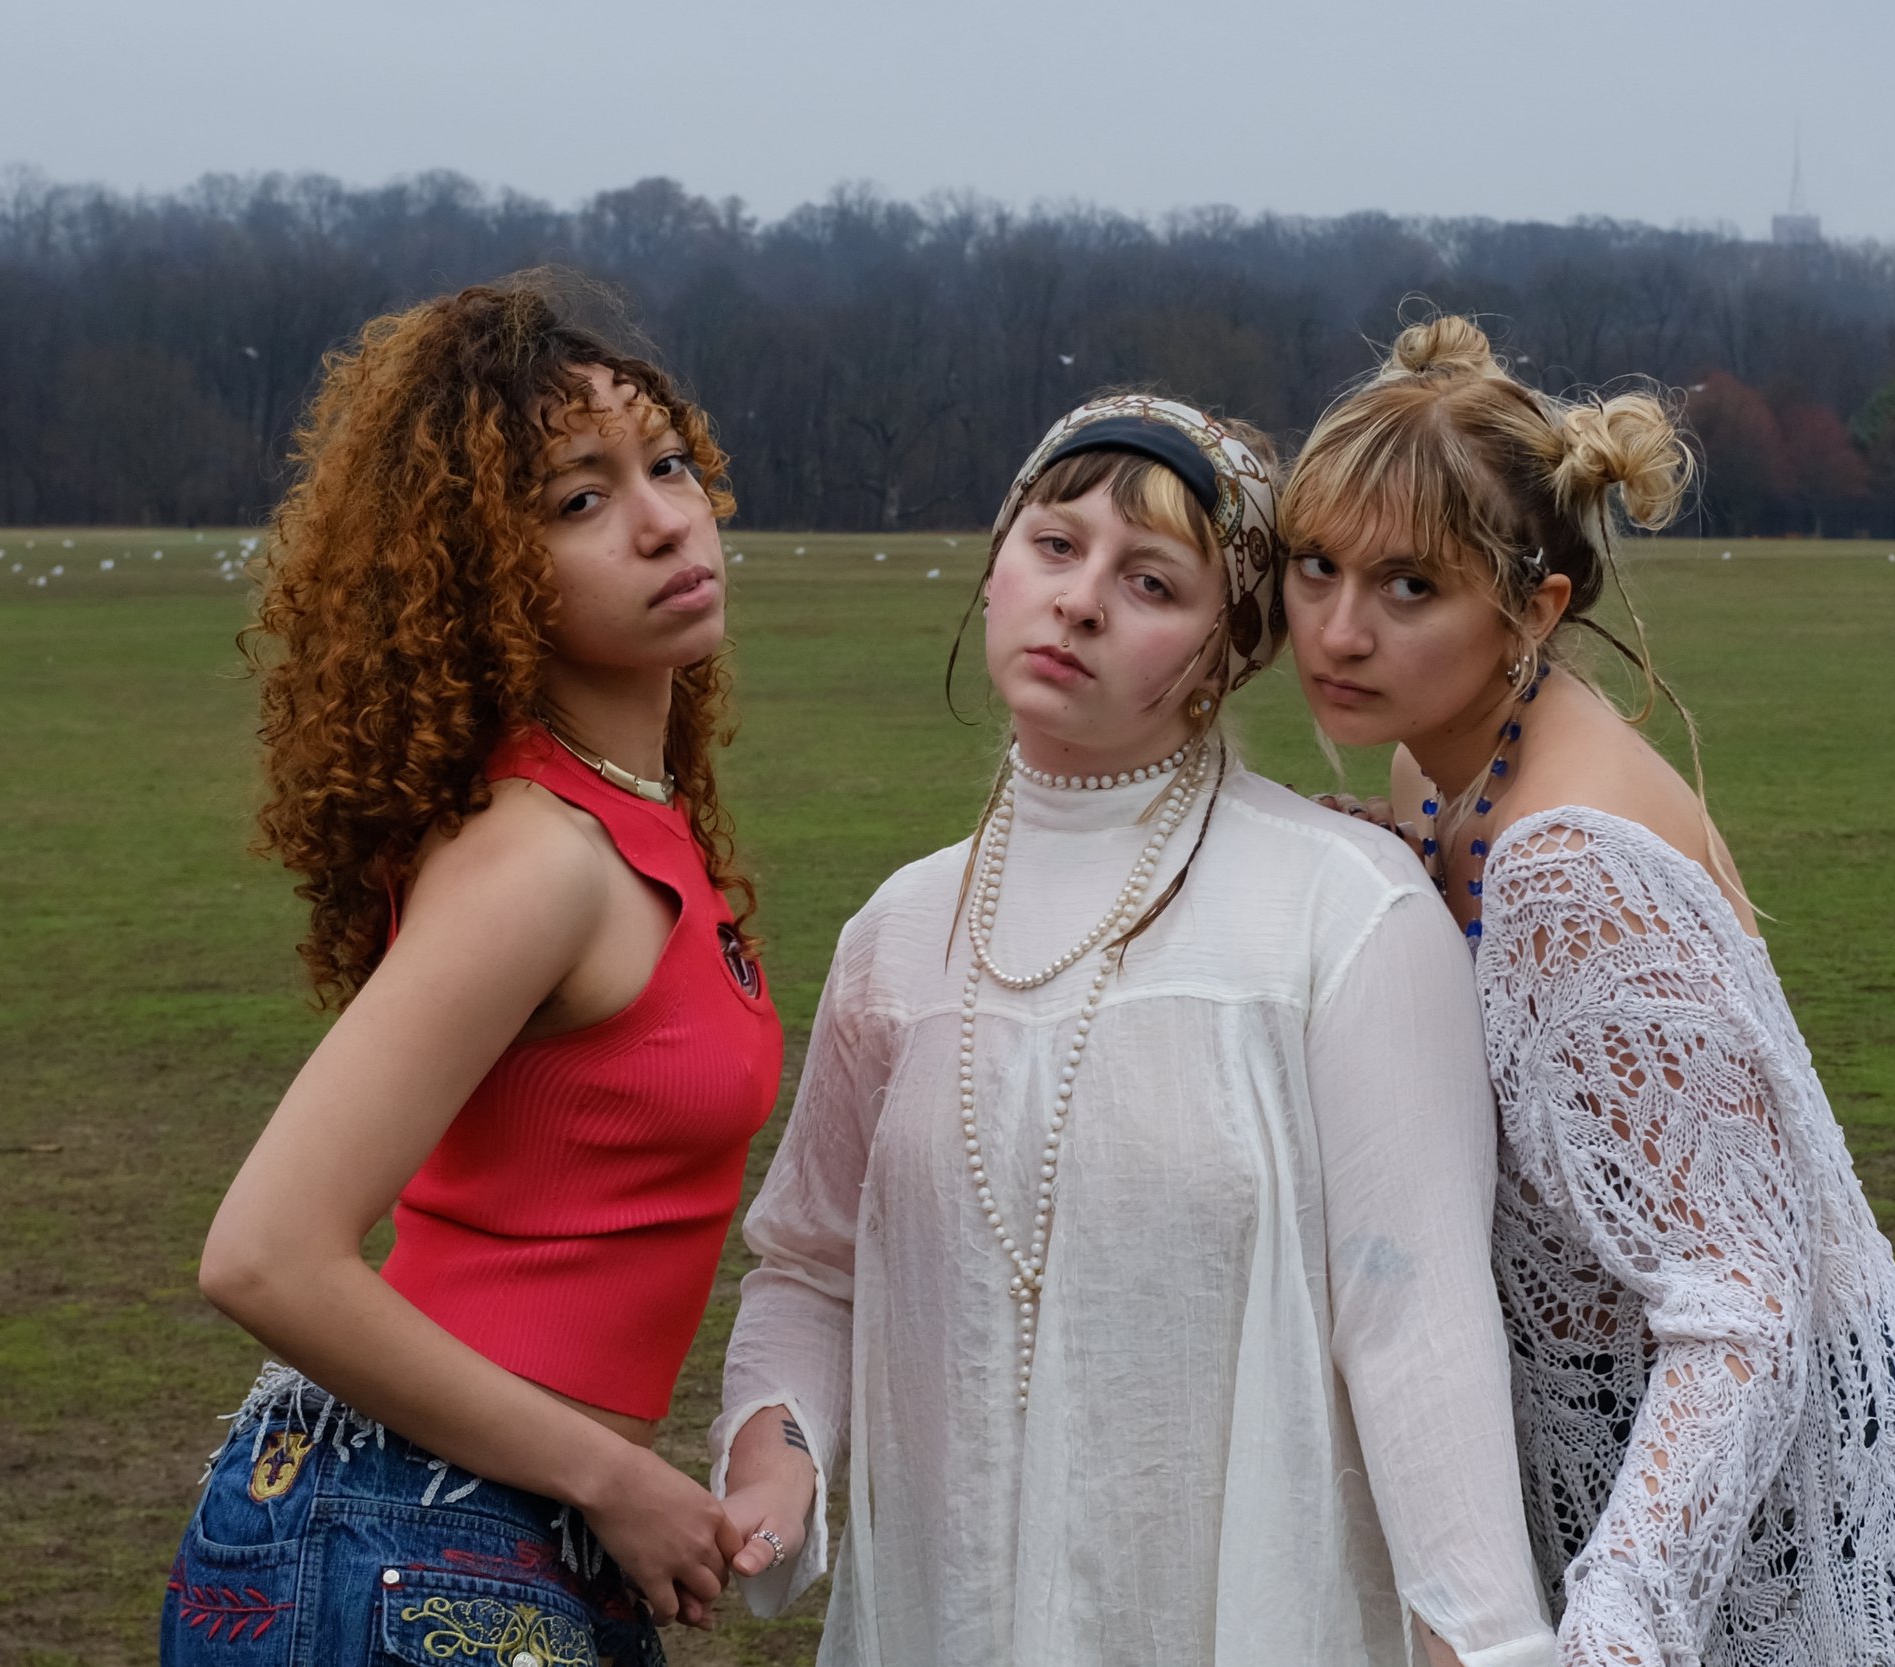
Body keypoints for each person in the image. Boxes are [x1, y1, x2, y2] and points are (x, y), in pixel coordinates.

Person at [706, 393, 1558, 1666]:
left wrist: (1483, 1643)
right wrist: (773, 1453)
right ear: (995, 565)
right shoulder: (900, 933)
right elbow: (810, 1264)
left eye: (1151, 579)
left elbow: (1413, 1319)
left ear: (1228, 646)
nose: (1082, 600)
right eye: (1055, 545)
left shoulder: (1344, 910)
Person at [1277, 314, 1895, 1667]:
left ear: (1535, 609)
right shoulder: (1434, 770)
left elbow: (1741, 1298)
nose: (1338, 626)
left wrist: (1619, 1621)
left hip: (1800, 1500)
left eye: (1409, 586)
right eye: (1315, 565)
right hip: (1653, 1466)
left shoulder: (1569, 867)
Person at [159, 275, 783, 1667]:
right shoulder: (538, 855)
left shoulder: (624, 813)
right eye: (580, 499)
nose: (665, 517)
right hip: (411, 1537)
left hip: (494, 1525)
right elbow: (265, 1251)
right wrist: (615, 1475)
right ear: (479, 568)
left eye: (667, 463)